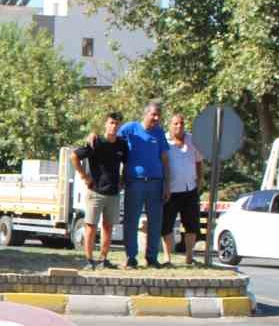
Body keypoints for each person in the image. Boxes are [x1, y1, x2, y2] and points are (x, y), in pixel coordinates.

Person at [117, 100, 171, 268]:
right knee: (131, 221)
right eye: (153, 114)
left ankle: (152, 257)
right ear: (145, 114)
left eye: (158, 115)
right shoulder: (130, 128)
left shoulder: (159, 133)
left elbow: (165, 159)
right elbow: (113, 140)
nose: (155, 118)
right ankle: (131, 257)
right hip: (135, 182)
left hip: (155, 183)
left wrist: (167, 184)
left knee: (155, 221)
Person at [71, 112, 126, 269]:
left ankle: (103, 259)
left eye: (117, 123)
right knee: (91, 226)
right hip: (95, 192)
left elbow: (127, 164)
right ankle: (89, 260)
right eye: (111, 123)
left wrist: (122, 181)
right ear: (105, 125)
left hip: (113, 193)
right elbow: (74, 157)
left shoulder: (122, 144)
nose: (114, 126)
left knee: (108, 227)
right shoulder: (96, 142)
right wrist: (84, 176)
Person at [160, 113, 205, 265]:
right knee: (167, 225)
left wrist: (200, 179)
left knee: (191, 225)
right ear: (170, 125)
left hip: (190, 190)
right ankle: (167, 257)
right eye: (176, 124)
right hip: (170, 191)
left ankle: (189, 257)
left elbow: (199, 162)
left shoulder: (193, 140)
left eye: (181, 123)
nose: (179, 126)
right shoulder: (164, 141)